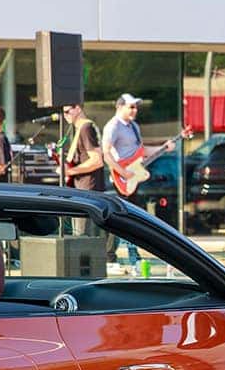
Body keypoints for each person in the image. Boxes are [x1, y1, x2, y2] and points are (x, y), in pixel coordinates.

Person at [102, 94, 173, 267]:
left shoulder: (133, 126)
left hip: (133, 177)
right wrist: (123, 173)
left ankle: (129, 255)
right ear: (120, 107)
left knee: (130, 216)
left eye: (135, 107)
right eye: (131, 107)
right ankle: (109, 255)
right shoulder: (113, 126)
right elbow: (106, 154)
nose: (135, 110)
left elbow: (141, 151)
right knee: (119, 216)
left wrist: (164, 147)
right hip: (122, 178)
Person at [60, 103, 104, 235]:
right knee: (80, 234)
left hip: (88, 189)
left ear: (78, 108)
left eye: (67, 111)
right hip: (82, 187)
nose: (65, 116)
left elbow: (97, 161)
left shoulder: (86, 127)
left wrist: (70, 171)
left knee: (83, 236)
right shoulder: (80, 128)